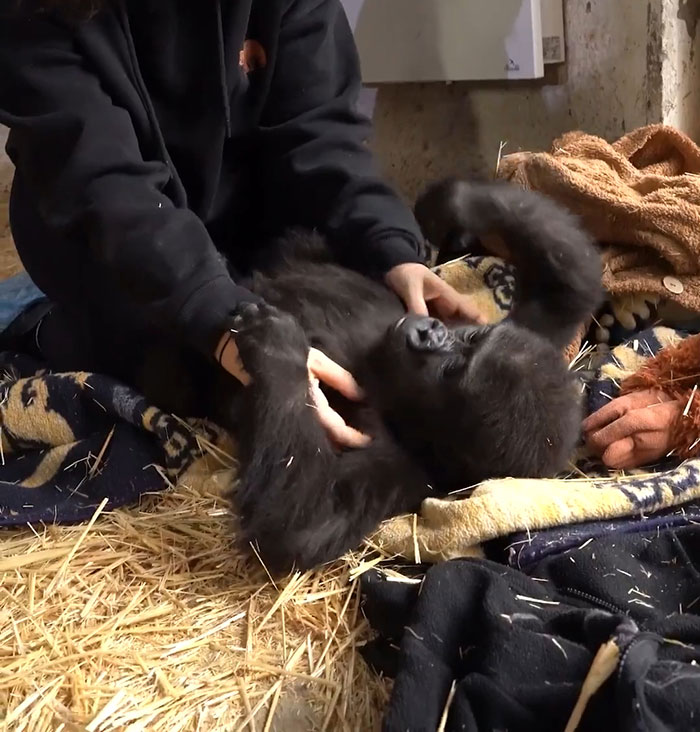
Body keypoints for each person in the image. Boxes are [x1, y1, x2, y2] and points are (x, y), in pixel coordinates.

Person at [0, 0, 481, 447]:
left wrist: (389, 246)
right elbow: (102, 182)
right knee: (179, 366)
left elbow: (319, 130)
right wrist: (232, 323)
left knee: (338, 304)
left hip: (247, 216)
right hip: (101, 235)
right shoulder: (32, 10)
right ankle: (48, 331)